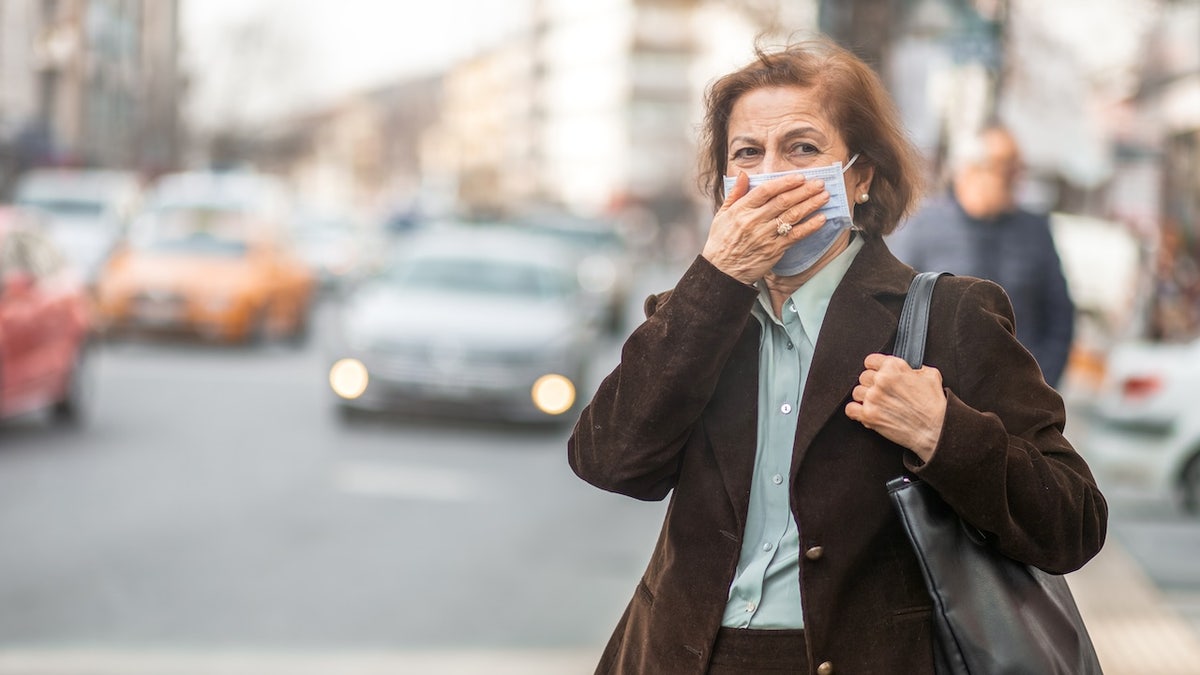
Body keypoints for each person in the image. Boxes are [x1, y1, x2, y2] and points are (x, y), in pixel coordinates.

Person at [568, 39, 1106, 675]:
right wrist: (719, 279)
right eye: (747, 153)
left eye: (802, 147)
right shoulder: (695, 313)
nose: (772, 173)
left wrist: (945, 435)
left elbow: (1073, 521)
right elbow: (609, 460)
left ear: (859, 177)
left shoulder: (951, 316)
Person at [886, 125, 1076, 387]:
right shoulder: (922, 228)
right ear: (971, 171)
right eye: (1007, 168)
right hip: (939, 394)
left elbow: (1060, 317)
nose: (1017, 179)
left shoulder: (1035, 230)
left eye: (1019, 168)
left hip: (1019, 397)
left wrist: (1041, 383)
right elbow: (892, 307)